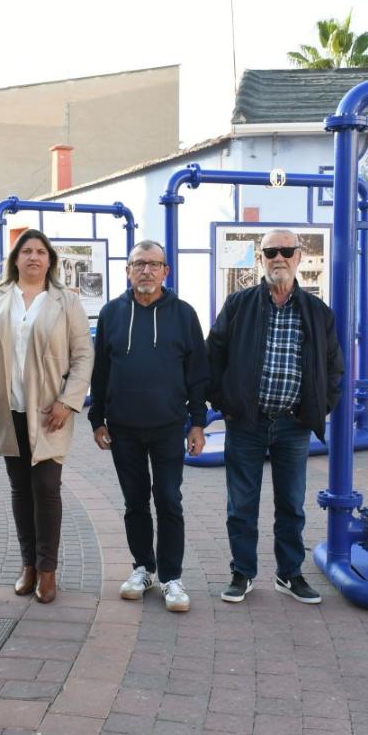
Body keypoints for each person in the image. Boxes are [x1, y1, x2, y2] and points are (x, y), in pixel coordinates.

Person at [207, 229, 344, 605]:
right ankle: (242, 573)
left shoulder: (318, 313)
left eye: (286, 251)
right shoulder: (239, 304)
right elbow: (213, 355)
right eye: (271, 252)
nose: (278, 258)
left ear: (299, 257)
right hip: (246, 422)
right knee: (242, 504)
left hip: (292, 425)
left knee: (291, 504)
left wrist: (317, 407)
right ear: (261, 258)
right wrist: (227, 403)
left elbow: (334, 369)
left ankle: (289, 574)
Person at [0, 229, 93, 604]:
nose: (34, 257)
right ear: (16, 258)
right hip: (7, 411)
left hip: (48, 412)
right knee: (20, 488)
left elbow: (84, 355)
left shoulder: (66, 302)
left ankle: (48, 570)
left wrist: (68, 402)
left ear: (50, 260)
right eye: (27, 251)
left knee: (47, 488)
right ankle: (28, 566)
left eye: (41, 252)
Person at [89, 241, 208, 612]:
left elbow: (197, 374)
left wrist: (198, 424)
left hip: (169, 426)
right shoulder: (111, 313)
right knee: (135, 502)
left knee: (169, 500)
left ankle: (172, 577)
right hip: (123, 428)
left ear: (165, 271)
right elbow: (101, 372)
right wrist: (97, 419)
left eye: (154, 264)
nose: (146, 271)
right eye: (138, 264)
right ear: (127, 270)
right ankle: (142, 568)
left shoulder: (184, 314)